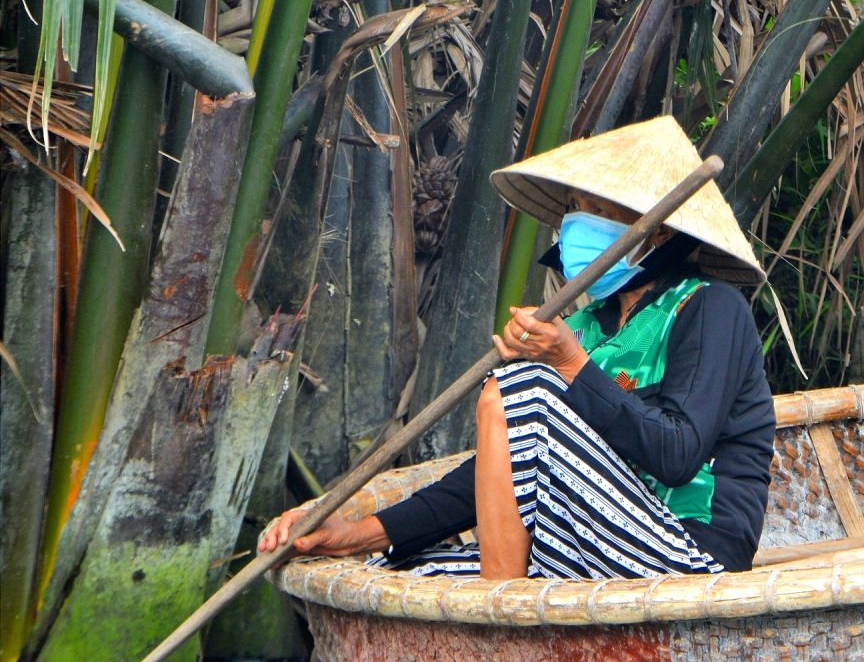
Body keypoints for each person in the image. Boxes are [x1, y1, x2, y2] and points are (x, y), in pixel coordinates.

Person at [258, 116, 774, 579]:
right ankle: (493, 591)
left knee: (520, 385)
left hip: (691, 551)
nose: (577, 222)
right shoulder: (588, 324)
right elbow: (504, 466)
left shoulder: (709, 307)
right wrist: (358, 531)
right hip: (595, 543)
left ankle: (502, 612)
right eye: (575, 208)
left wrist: (566, 364)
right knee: (407, 566)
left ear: (656, 233)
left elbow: (678, 455)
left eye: (599, 210)